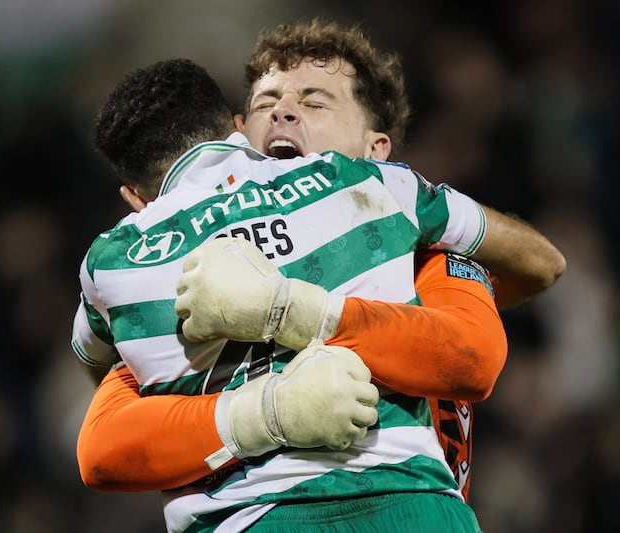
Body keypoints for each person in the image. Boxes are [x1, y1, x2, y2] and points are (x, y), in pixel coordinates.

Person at [75, 18, 564, 507]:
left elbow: (476, 349)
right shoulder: (191, 288)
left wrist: (293, 312)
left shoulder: (425, 260)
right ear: (237, 135)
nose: (283, 113)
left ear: (377, 152)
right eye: (265, 103)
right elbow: (104, 444)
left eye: (314, 102)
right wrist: (262, 411)